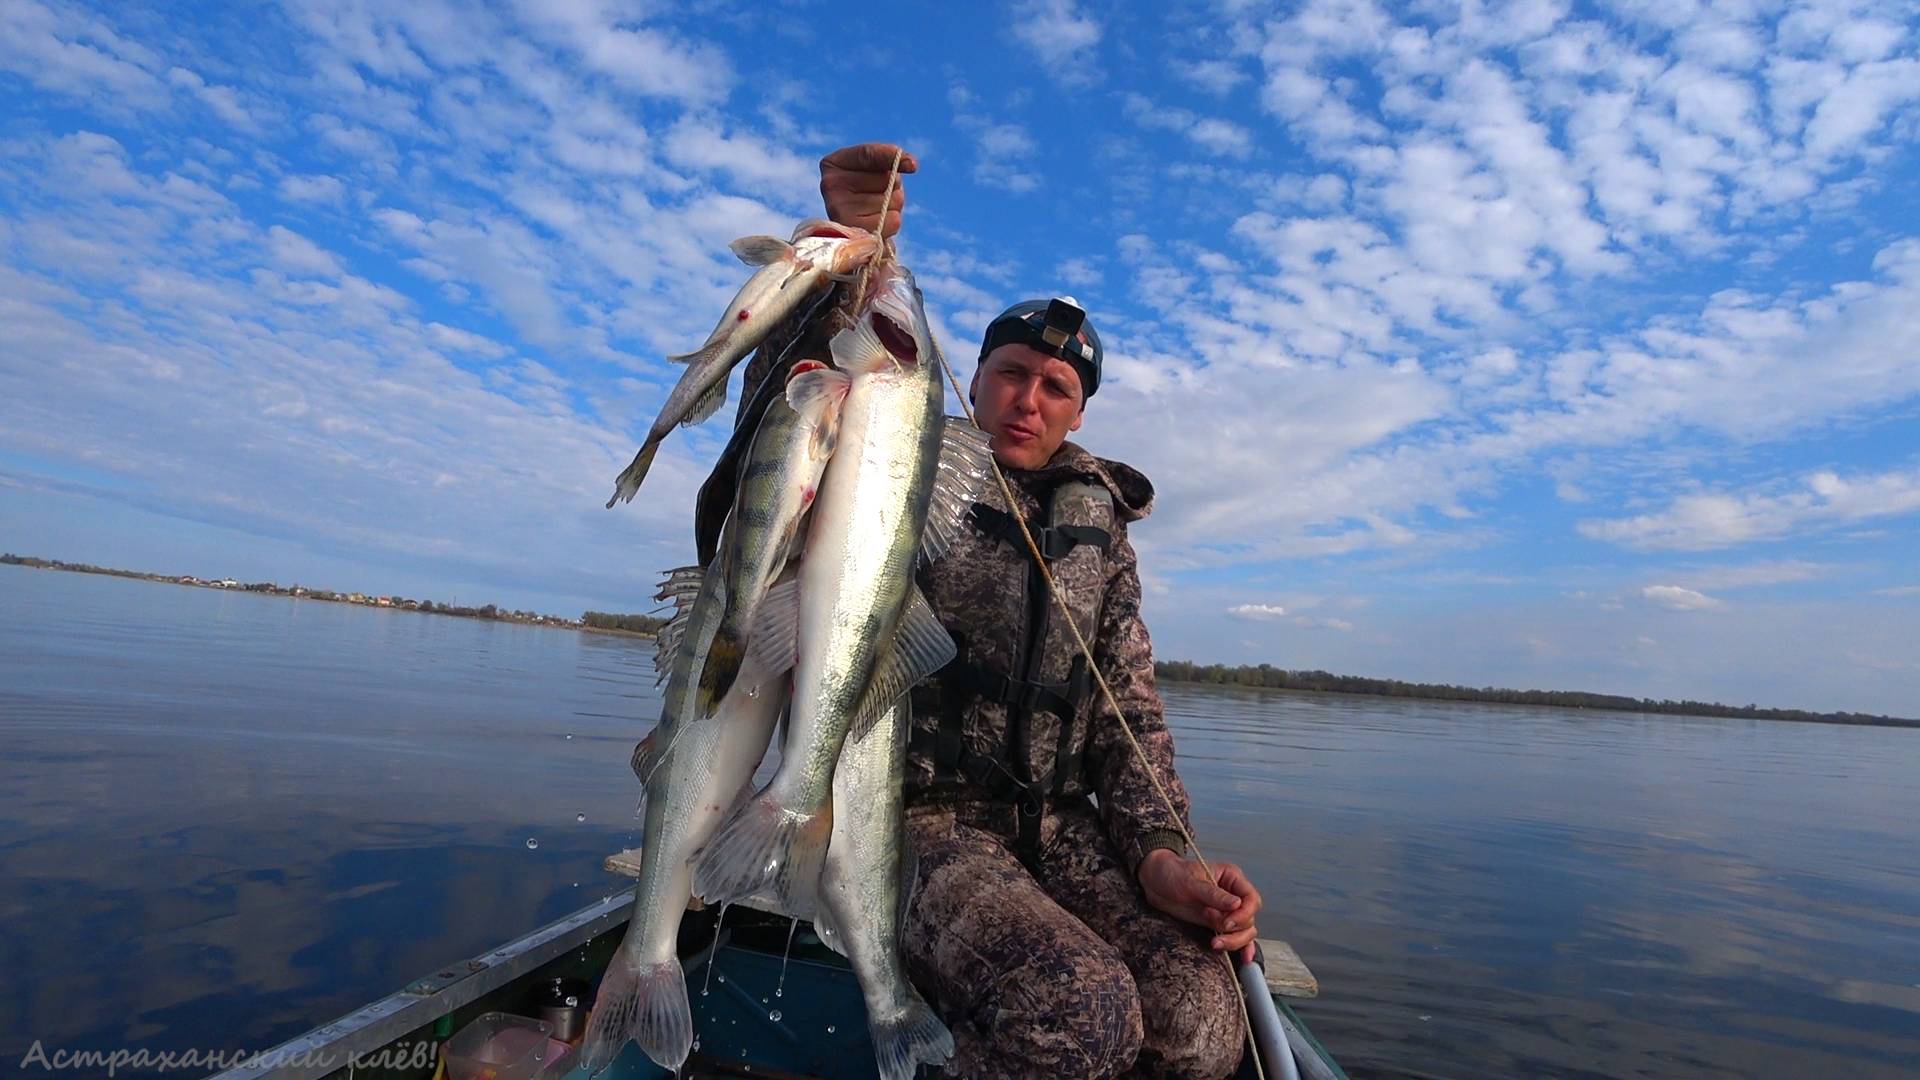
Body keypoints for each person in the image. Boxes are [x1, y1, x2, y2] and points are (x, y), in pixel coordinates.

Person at [805, 142, 1267, 1079]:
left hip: (1064, 828)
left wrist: (1165, 859)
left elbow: (1130, 721)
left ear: (1080, 412)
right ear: (973, 381)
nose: (1029, 399)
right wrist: (854, 255)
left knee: (1202, 1025)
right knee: (1078, 1012)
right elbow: (834, 375)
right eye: (1011, 373)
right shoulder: (898, 468)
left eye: (1057, 387)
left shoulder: (1102, 529)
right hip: (916, 825)